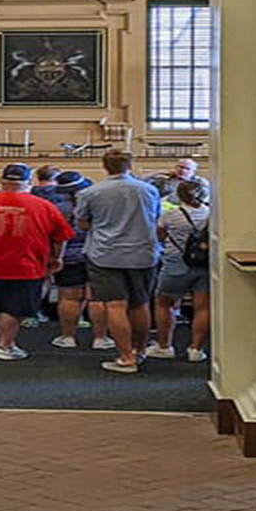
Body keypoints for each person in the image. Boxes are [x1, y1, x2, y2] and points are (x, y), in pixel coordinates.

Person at [0, 163, 72, 361]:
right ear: (29, 182)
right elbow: (61, 236)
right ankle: (5, 346)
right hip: (26, 265)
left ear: (2, 181)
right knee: (13, 308)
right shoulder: (43, 206)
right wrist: (56, 258)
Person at [75, 149, 162, 374]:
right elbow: (155, 218)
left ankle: (125, 357)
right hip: (142, 253)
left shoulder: (91, 192)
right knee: (141, 303)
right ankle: (140, 350)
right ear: (130, 165)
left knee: (115, 304)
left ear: (105, 166)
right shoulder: (149, 190)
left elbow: (83, 224)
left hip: (106, 254)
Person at [37, 170, 107, 349]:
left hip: (68, 256)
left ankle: (68, 337)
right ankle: (100, 338)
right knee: (97, 298)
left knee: (68, 298)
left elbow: (53, 235)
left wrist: (55, 256)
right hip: (97, 254)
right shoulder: (99, 206)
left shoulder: (56, 208)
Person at [150, 179, 211, 362]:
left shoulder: (169, 215)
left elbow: (160, 237)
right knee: (202, 307)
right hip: (203, 264)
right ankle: (196, 349)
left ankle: (164, 346)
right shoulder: (211, 214)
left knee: (164, 304)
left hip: (175, 263)